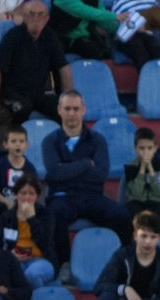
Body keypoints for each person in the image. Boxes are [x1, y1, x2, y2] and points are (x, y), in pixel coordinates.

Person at [42, 92, 131, 262]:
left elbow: (100, 174)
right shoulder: (50, 141)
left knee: (121, 214)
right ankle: (63, 264)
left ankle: (120, 262)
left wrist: (67, 169)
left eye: (76, 109)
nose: (71, 113)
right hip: (63, 198)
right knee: (53, 215)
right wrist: (85, 164)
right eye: (67, 109)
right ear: (59, 110)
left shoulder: (98, 140)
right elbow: (54, 172)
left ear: (84, 110)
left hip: (92, 197)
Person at [0, 0, 72, 132]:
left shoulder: (49, 36)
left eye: (40, 15)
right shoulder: (13, 36)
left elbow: (63, 67)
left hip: (37, 94)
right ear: (24, 16)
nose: (36, 19)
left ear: (47, 18)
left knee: (64, 108)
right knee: (23, 108)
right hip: (12, 93)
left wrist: (68, 98)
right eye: (31, 14)